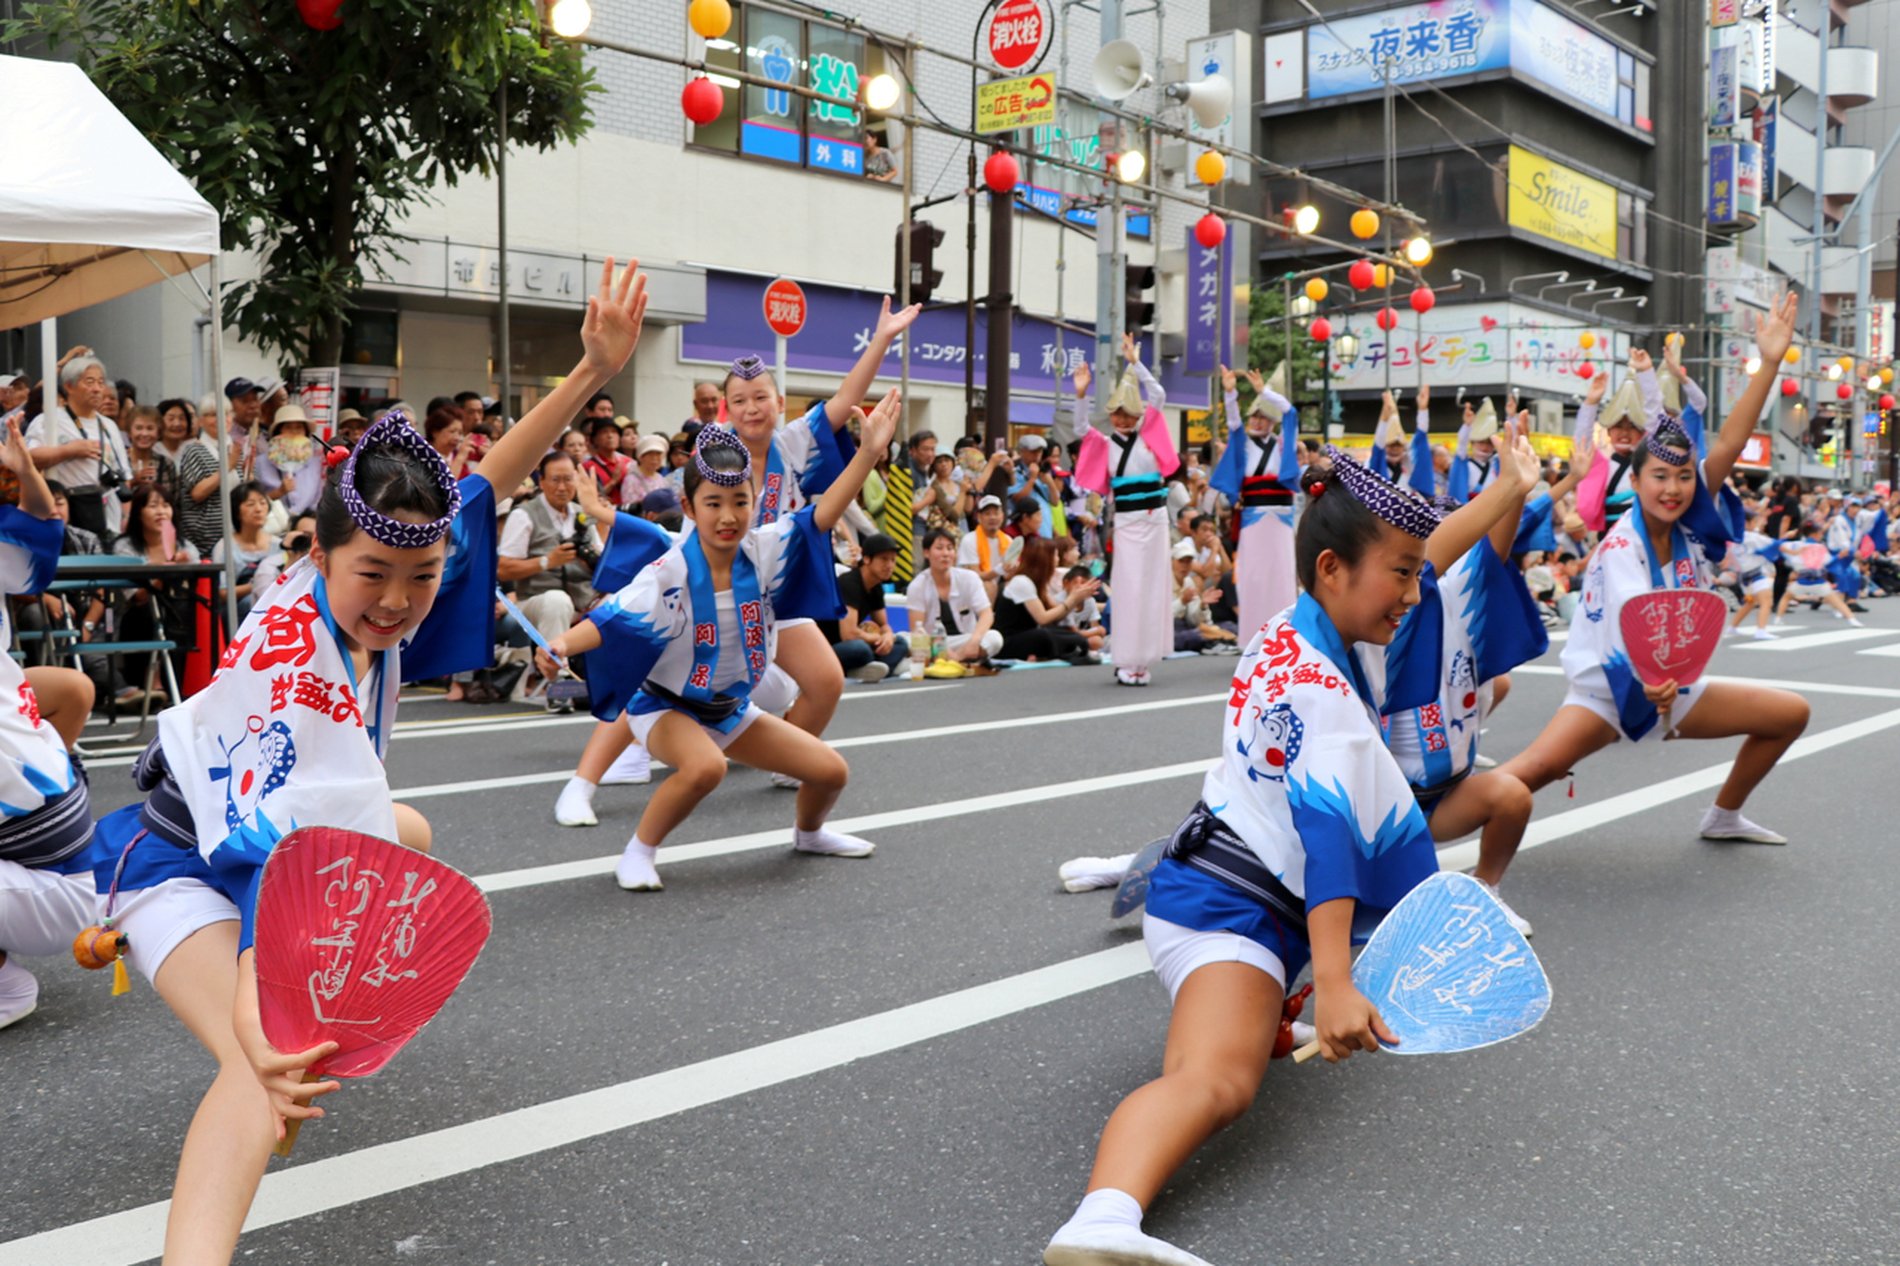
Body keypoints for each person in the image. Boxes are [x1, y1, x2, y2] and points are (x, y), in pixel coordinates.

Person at [76, 257, 650, 1266]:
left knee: (409, 835)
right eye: (372, 576)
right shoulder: (296, 656)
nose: (397, 599)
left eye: (421, 578)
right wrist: (266, 1025)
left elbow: (481, 488)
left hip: (275, 832)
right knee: (264, 1073)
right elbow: (280, 869)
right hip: (175, 861)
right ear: (317, 554)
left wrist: (588, 374)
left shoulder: (393, 558)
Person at [1042, 446, 1457, 1266]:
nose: (1414, 595)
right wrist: (1336, 986)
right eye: (1403, 575)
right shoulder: (1320, 683)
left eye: (1419, 575)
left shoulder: (1291, 628)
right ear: (1334, 568)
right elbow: (1328, 836)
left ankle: (1264, 1011)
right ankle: (1101, 1219)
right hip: (1227, 909)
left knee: (1249, 1041)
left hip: (1223, 874)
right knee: (1218, 1085)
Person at [544, 395, 902, 893]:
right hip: (666, 707)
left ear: (756, 502)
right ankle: (638, 851)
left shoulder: (766, 549)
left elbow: (823, 515)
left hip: (731, 708)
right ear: (689, 507)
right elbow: (608, 620)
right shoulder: (668, 570)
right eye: (713, 503)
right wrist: (561, 642)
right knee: (706, 768)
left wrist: (866, 455)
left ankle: (810, 833)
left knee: (830, 771)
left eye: (740, 502)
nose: (728, 516)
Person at [1498, 294, 1811, 848]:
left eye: (1684, 477)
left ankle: (1723, 815)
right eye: (1660, 477)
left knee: (1789, 713)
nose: (1673, 488)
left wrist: (1770, 362)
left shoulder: (1691, 526)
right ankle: (1408, 848)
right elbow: (1627, 624)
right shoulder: (1621, 546)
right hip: (1608, 692)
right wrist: (1647, 683)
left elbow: (1732, 442)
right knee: (1519, 781)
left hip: (1673, 685)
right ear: (1637, 482)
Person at [1377, 421, 1550, 935]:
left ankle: (1487, 888)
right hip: (1382, 804)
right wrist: (1509, 485)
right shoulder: (1396, 603)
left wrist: (1518, 486)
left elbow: (1495, 548)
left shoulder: (1463, 596)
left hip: (1445, 795)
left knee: (1512, 794)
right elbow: (1431, 561)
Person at [0, 418, 101, 1031]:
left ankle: (6, 983)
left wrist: (26, 466)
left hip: (63, 886)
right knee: (68, 688)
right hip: (55, 841)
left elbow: (40, 529)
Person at [1072, 334, 1181, 686]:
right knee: (1129, 588)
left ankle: (1144, 660)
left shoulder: (1150, 435)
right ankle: (1125, 658)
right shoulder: (1105, 445)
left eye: (1127, 413)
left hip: (1156, 520)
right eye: (1116, 413)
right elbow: (1078, 429)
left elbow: (1160, 396)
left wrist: (1136, 363)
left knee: (1152, 588)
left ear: (1137, 413)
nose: (1121, 419)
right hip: (1128, 523)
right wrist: (1080, 395)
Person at [497, 451, 604, 710]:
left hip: (582, 597)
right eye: (555, 480)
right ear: (541, 482)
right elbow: (503, 569)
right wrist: (548, 561)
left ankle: (608, 680)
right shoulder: (524, 514)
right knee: (557, 601)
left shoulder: (583, 514)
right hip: (532, 601)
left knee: (616, 604)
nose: (562, 487)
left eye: (568, 479)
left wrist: (589, 560)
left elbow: (602, 560)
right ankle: (560, 683)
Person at [1210, 364, 1301, 639]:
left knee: (1282, 577)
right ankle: (1252, 637)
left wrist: (1264, 392)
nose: (1257, 422)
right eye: (1255, 417)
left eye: (1263, 417)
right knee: (1253, 579)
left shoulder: (1284, 444)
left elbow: (1291, 412)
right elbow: (1234, 424)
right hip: (1252, 518)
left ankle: (1283, 637)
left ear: (1272, 421)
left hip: (1281, 519)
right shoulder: (1244, 444)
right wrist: (1230, 394)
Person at [26, 353, 132, 540]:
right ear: (69, 386)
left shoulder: (109, 426)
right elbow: (29, 459)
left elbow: (124, 475)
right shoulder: (49, 420)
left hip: (109, 517)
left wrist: (126, 515)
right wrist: (68, 451)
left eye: (100, 382)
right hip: (68, 514)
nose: (97, 389)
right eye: (89, 382)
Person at [907, 527, 1003, 671]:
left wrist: (974, 641)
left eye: (950, 548)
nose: (946, 553)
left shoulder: (969, 578)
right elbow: (917, 629)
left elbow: (986, 614)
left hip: (965, 640)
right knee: (907, 639)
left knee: (994, 638)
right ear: (926, 553)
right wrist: (943, 651)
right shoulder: (917, 586)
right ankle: (962, 661)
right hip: (934, 644)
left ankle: (957, 660)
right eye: (939, 548)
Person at [821, 532, 910, 681]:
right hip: (828, 647)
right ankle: (861, 669)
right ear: (867, 559)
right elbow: (848, 634)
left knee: (900, 643)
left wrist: (887, 636)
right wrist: (875, 637)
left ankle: (864, 669)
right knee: (860, 649)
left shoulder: (876, 586)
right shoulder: (849, 583)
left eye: (893, 560)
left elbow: (884, 625)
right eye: (884, 559)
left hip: (850, 644)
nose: (889, 565)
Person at [995, 535, 1097, 662]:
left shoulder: (1037, 583)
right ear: (1045, 559)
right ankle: (1069, 652)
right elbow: (1043, 618)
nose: (1057, 560)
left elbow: (1056, 613)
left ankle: (1071, 649)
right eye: (1055, 556)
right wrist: (1072, 598)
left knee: (1070, 636)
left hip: (1027, 634)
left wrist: (1076, 598)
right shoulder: (1021, 581)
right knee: (1045, 635)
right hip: (1008, 641)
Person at [212, 482, 282, 619]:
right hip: (237, 612)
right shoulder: (224, 546)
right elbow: (222, 592)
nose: (258, 509)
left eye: (263, 503)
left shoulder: (279, 545)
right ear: (236, 512)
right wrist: (256, 585)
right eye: (250, 504)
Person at [253, 402, 327, 517]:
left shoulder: (315, 463)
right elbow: (253, 503)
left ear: (305, 433)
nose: (294, 432)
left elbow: (318, 501)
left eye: (299, 427)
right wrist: (279, 492)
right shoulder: (260, 463)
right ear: (278, 432)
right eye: (288, 427)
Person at [957, 493, 1018, 599]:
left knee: (1018, 585)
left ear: (1002, 516)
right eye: (987, 514)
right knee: (989, 585)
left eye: (996, 513)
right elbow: (974, 576)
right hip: (967, 588)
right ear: (979, 517)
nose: (992, 517)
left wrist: (1013, 569)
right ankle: (988, 615)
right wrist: (999, 570)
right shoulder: (969, 540)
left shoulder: (1008, 540)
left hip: (997, 585)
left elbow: (1008, 576)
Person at [621, 433, 672, 505]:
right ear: (641, 457)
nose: (655, 458)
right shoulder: (631, 480)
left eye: (658, 454)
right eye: (650, 454)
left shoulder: (661, 479)